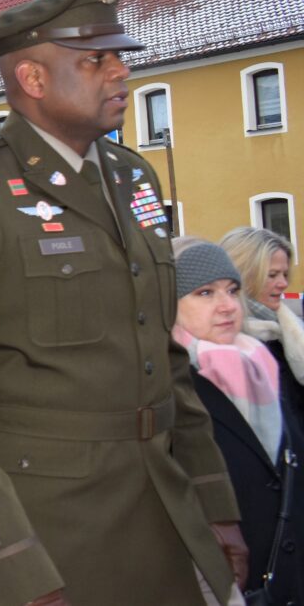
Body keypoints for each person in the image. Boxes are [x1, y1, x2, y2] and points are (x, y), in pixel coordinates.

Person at [0, 0, 247, 605]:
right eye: (97, 61)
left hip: (165, 518)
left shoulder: (133, 178)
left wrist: (215, 502)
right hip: (49, 533)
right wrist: (13, 563)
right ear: (31, 79)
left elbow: (163, 361)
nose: (121, 73)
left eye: (120, 58)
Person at [171, 239, 304, 603]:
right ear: (168, 303)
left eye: (232, 290)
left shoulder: (263, 365)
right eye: (204, 293)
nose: (227, 305)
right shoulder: (165, 389)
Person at [220, 226, 304, 421]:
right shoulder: (231, 343)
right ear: (243, 275)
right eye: (272, 275)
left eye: (284, 274)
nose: (283, 283)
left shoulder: (285, 329)